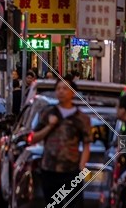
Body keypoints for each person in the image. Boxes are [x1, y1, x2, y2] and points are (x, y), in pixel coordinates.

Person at [32, 76, 91, 208]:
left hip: (71, 172)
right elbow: (33, 138)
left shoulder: (82, 118)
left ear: (73, 92)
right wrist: (49, 127)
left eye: (65, 88)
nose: (61, 91)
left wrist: (82, 167)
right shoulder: (47, 113)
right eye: (58, 89)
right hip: (49, 170)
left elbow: (87, 144)